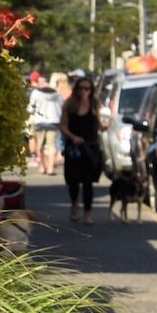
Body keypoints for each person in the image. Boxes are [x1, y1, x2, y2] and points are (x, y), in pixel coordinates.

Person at [59, 74, 103, 225]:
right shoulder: (69, 104)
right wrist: (73, 137)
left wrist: (104, 126)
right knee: (73, 181)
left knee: (88, 182)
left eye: (87, 88)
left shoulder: (94, 104)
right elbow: (62, 125)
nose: (83, 91)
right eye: (80, 88)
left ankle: (88, 213)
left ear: (91, 90)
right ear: (76, 89)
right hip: (74, 148)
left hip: (90, 147)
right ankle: (74, 205)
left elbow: (98, 123)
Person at [27, 72, 63, 175]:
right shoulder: (57, 94)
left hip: (40, 122)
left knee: (40, 146)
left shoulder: (36, 93)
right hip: (54, 122)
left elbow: (30, 108)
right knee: (51, 146)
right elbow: (62, 107)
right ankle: (50, 167)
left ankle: (43, 166)